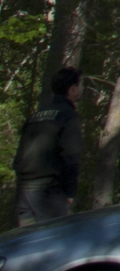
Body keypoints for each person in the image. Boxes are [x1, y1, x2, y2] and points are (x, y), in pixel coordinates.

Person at [13, 65, 82, 225]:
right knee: (54, 243)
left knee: (28, 245)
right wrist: (70, 192)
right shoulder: (69, 116)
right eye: (80, 84)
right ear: (72, 89)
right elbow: (71, 157)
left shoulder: (35, 116)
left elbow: (19, 157)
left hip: (24, 192)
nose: (81, 89)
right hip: (49, 194)